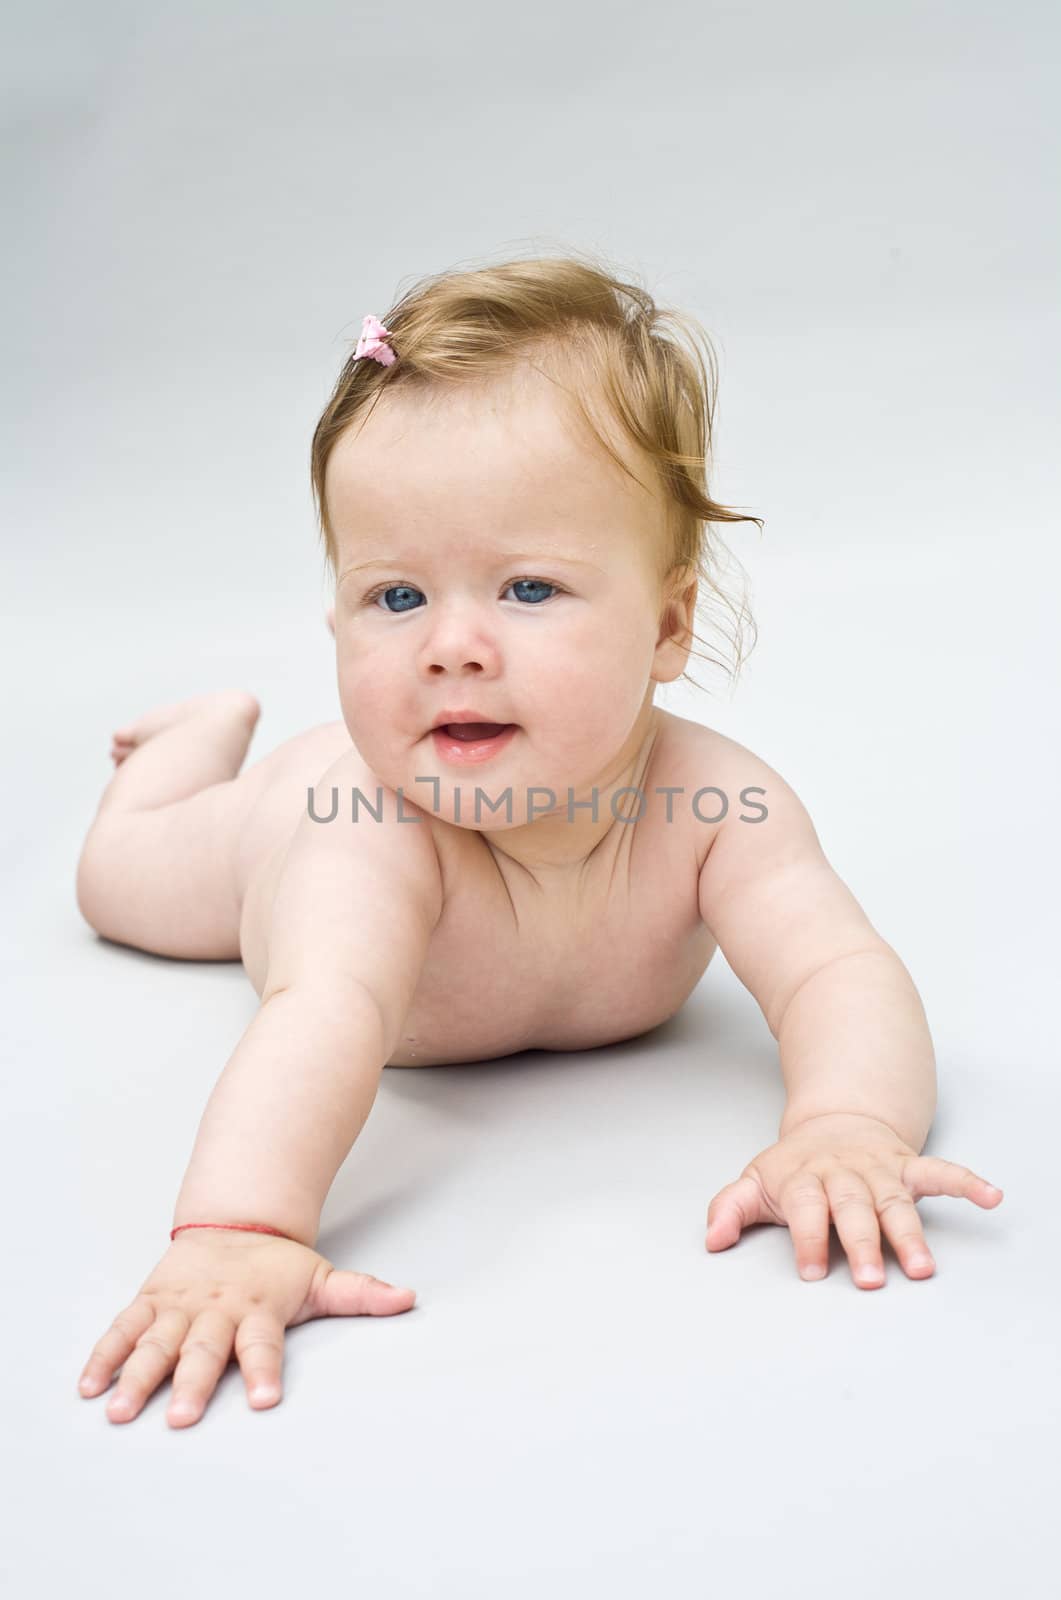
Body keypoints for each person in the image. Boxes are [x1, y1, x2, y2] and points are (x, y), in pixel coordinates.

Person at [73, 252, 1003, 1430]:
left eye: (526, 589)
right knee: (116, 882)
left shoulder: (715, 808)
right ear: (339, 613)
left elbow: (836, 968)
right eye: (395, 597)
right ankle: (189, 743)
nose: (450, 648)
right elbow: (325, 1017)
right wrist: (238, 1230)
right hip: (281, 815)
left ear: (666, 624)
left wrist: (844, 1125)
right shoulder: (369, 840)